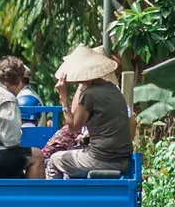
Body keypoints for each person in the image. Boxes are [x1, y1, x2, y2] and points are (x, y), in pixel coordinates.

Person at [44, 46, 134, 179]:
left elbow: (74, 127)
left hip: (102, 159)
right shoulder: (113, 89)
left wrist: (63, 97)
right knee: (69, 168)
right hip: (123, 159)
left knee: (54, 160)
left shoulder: (90, 94)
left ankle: (53, 200)